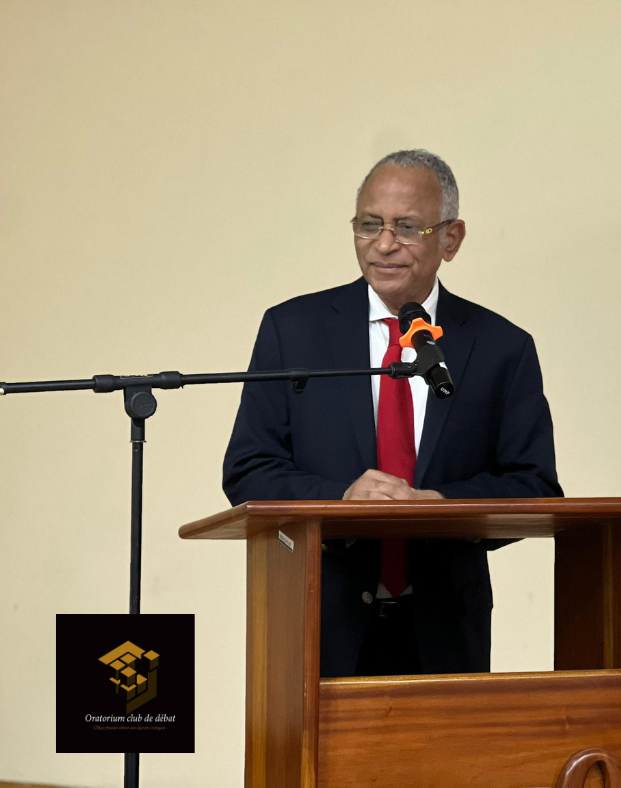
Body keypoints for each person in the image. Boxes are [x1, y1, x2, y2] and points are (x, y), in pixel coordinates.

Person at [223, 150, 563, 678]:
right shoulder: (294, 331)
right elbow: (248, 470)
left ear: (451, 239)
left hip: (446, 633)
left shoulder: (501, 347)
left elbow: (534, 487)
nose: (383, 244)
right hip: (317, 623)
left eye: (407, 227)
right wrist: (340, 498)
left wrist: (440, 506)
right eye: (369, 225)